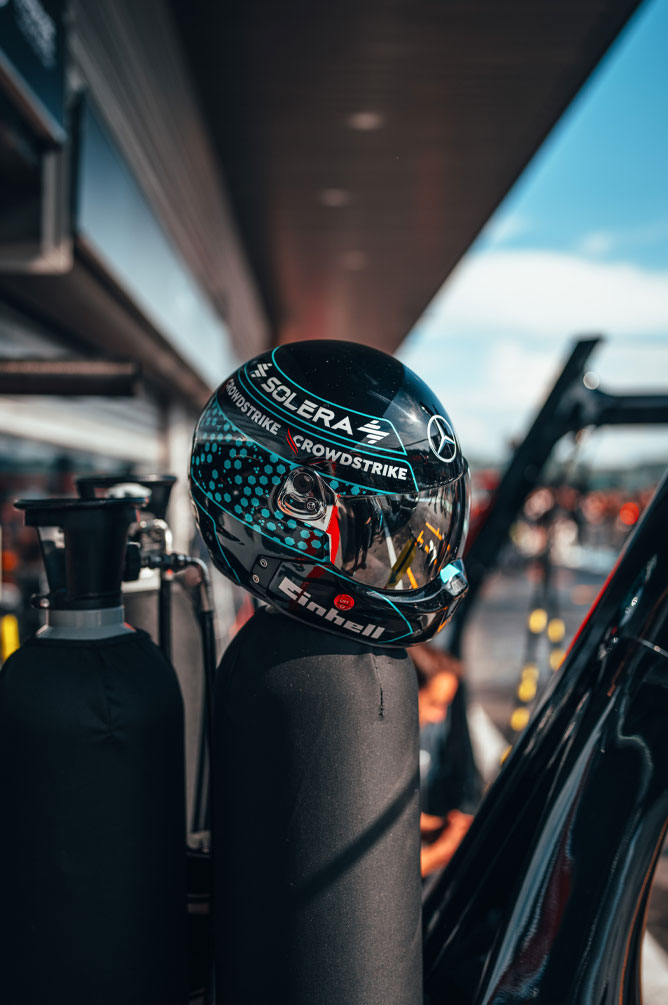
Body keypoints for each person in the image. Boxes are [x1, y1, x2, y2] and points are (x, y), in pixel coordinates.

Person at [189, 339, 471, 1003]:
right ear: (297, 509)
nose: (410, 552)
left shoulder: (274, 665)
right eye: (389, 529)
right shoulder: (306, 682)